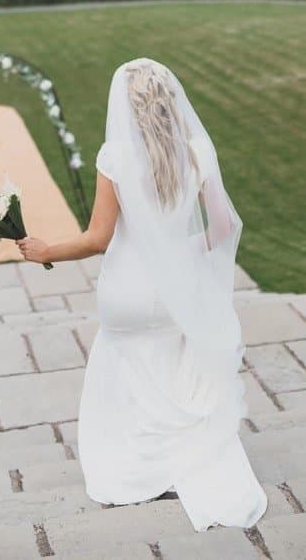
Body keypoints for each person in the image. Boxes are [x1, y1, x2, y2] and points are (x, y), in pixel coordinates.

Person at [15, 57, 268, 532]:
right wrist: (181, 254)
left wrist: (47, 249)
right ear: (171, 100)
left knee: (126, 366)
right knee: (171, 367)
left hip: (127, 295)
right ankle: (180, 458)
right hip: (175, 294)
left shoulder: (116, 157)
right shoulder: (197, 151)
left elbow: (97, 239)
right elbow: (223, 226)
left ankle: (135, 467)